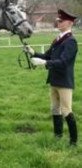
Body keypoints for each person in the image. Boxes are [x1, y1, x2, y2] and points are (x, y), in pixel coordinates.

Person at [25, 9, 78, 146]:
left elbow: (63, 62)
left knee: (66, 110)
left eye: (61, 21)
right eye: (58, 20)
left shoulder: (71, 42)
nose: (58, 22)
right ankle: (58, 135)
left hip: (64, 81)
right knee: (55, 109)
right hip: (54, 79)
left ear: (70, 23)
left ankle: (73, 142)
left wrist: (45, 63)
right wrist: (33, 53)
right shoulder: (58, 39)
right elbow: (48, 56)